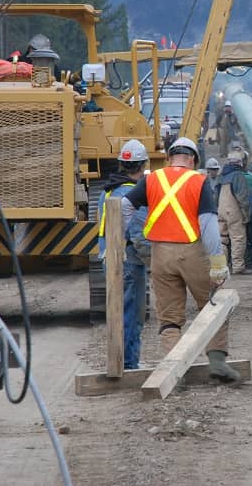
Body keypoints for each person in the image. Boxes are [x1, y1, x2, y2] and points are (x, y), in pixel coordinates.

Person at [123, 137, 241, 382]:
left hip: (159, 255)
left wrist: (127, 235)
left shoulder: (152, 179)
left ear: (169, 158)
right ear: (194, 160)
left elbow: (125, 205)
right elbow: (207, 225)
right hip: (192, 253)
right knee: (214, 304)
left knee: (169, 315)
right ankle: (217, 362)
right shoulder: (199, 181)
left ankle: (174, 371)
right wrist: (218, 262)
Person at [97, 139, 150, 370]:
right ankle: (129, 363)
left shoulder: (107, 191)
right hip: (129, 261)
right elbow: (138, 233)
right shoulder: (135, 194)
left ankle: (120, 361)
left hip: (108, 258)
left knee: (116, 312)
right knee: (132, 313)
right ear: (143, 165)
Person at [216, 150, 250, 274]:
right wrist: (246, 214)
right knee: (238, 238)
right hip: (233, 210)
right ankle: (238, 267)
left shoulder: (222, 175)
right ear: (240, 162)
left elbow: (216, 194)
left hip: (221, 209)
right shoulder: (238, 176)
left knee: (222, 239)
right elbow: (242, 198)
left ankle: (221, 267)